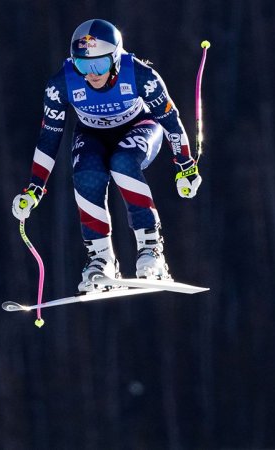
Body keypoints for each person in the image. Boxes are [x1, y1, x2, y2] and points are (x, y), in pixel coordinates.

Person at [11, 19, 203, 293]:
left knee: (123, 162)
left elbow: (171, 121)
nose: (91, 74)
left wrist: (185, 166)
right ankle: (100, 258)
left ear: (115, 58)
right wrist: (34, 188)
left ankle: (151, 251)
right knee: (86, 173)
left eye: (99, 65)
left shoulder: (140, 75)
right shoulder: (61, 84)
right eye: (82, 65)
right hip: (92, 134)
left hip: (140, 127)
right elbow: (49, 138)